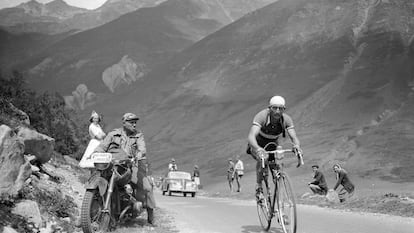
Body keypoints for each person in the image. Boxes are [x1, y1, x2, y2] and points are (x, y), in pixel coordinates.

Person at [93, 112, 156, 225]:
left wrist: (139, 155)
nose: (134, 125)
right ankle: (87, 214)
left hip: (130, 165)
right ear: (124, 123)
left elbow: (142, 149)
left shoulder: (138, 135)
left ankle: (151, 217)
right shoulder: (113, 134)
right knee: (96, 180)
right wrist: (96, 153)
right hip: (113, 164)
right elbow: (102, 146)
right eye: (131, 122)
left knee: (147, 187)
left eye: (135, 123)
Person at [247, 95, 304, 202]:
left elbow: (294, 137)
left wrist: (297, 146)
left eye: (280, 108)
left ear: (284, 109)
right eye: (274, 108)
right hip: (257, 143)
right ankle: (259, 186)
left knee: (277, 165)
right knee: (263, 158)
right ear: (269, 108)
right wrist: (258, 149)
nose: (277, 111)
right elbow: (251, 136)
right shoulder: (261, 116)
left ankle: (279, 194)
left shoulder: (286, 119)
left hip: (273, 143)